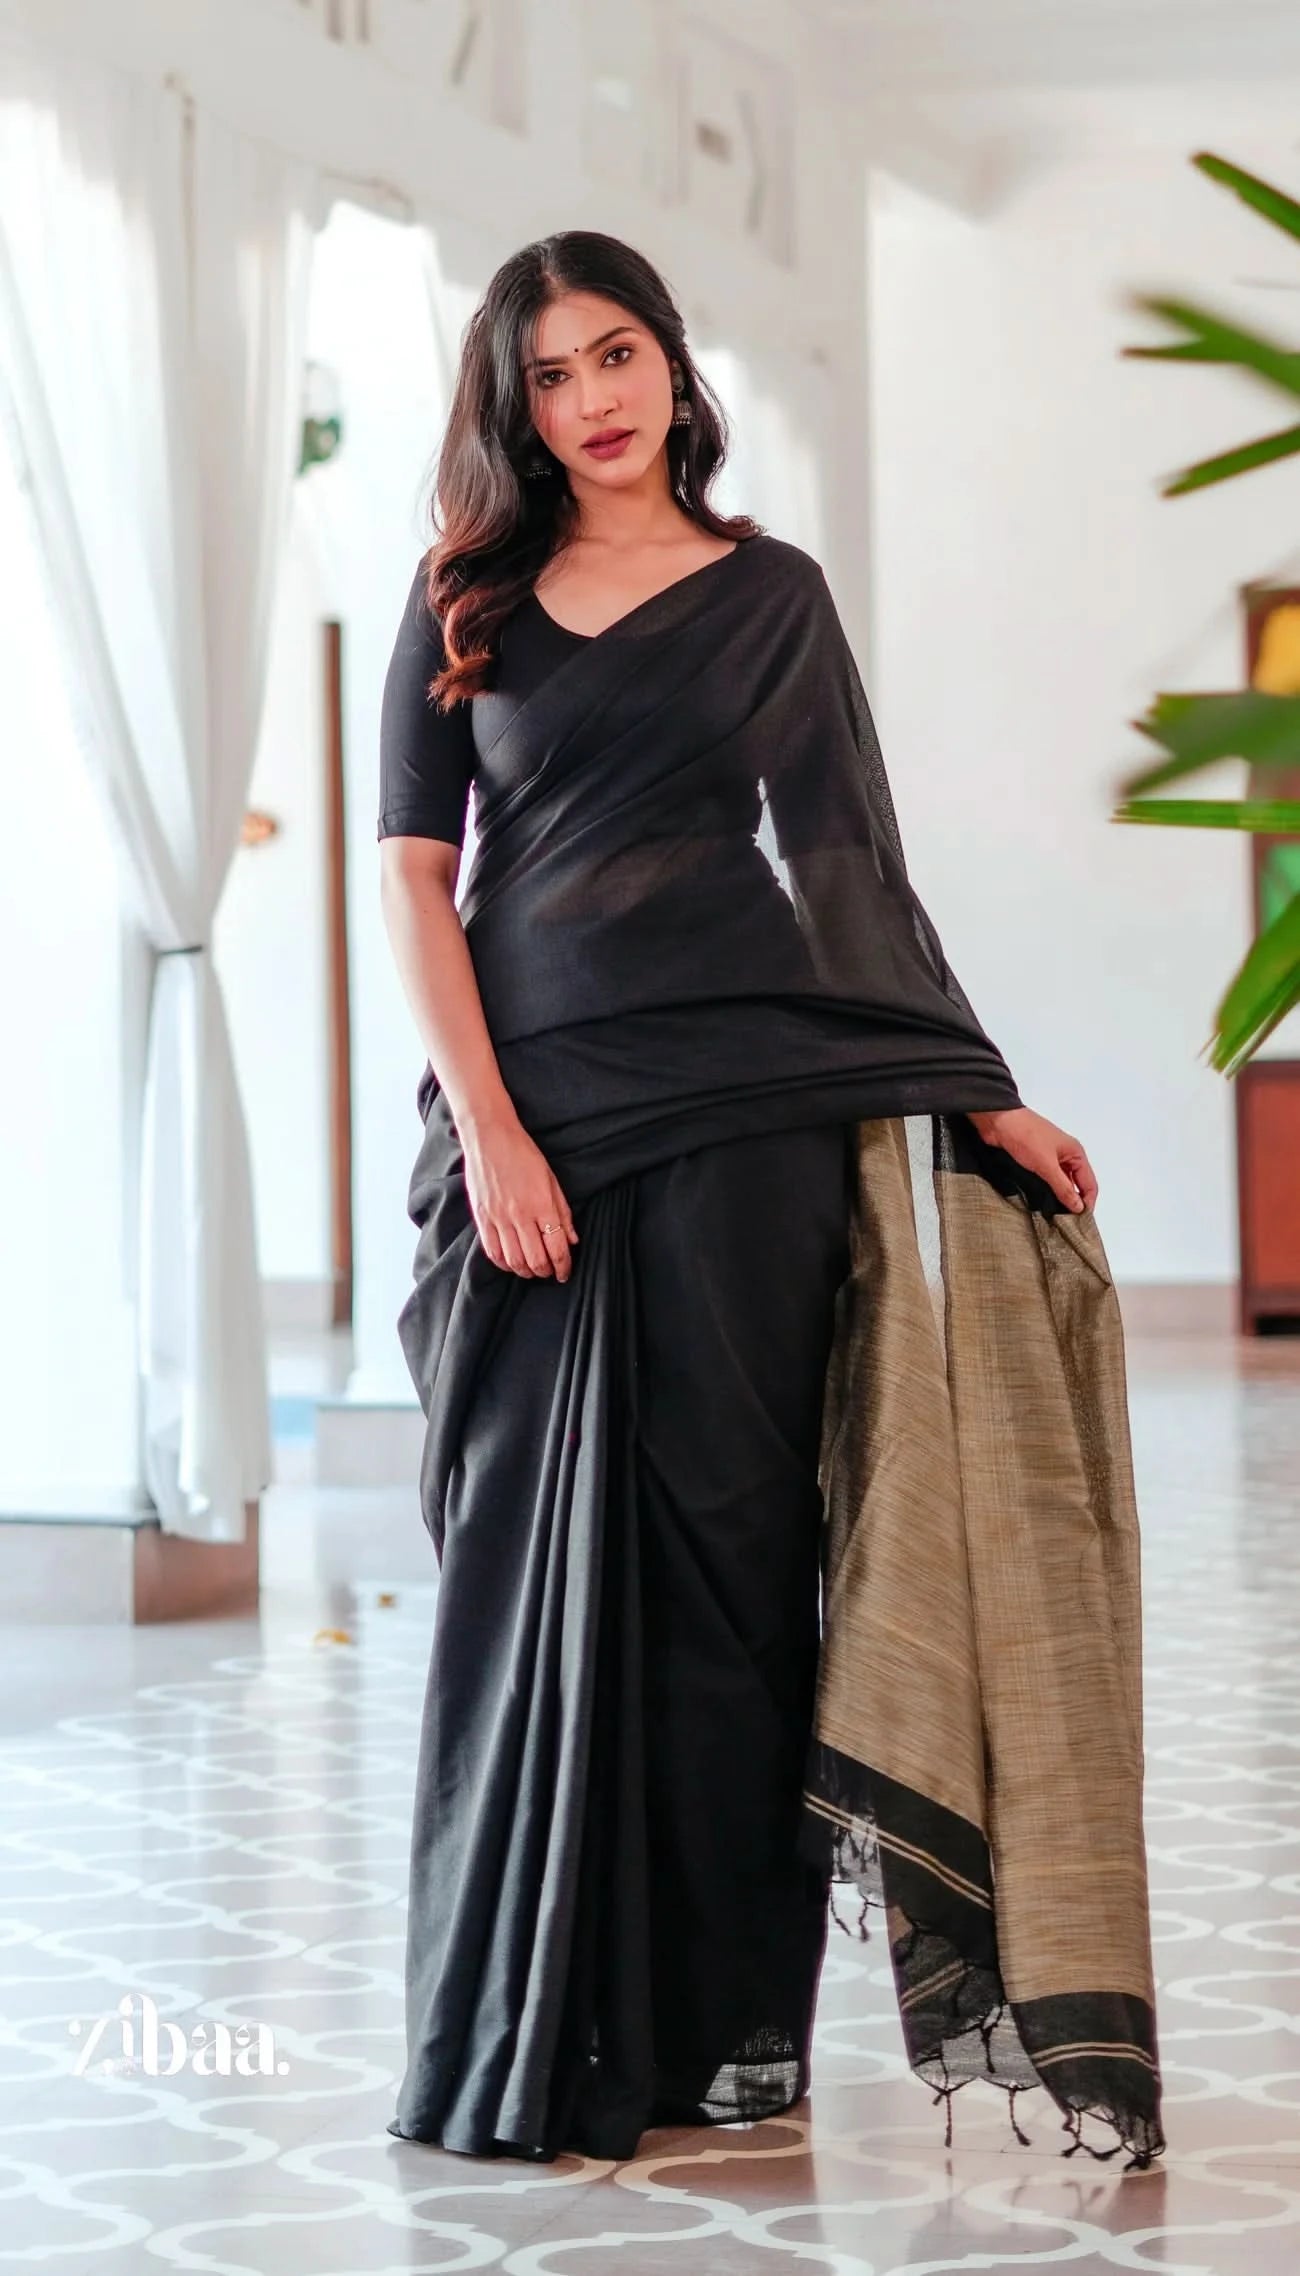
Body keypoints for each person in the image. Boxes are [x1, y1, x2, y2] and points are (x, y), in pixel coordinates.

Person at [377, 230, 1163, 2168]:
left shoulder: (771, 596)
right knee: (520, 1574)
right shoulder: (461, 599)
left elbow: (841, 861)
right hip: (541, 1122)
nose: (592, 398)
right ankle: (528, 2027)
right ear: (514, 404)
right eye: (550, 373)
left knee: (734, 1577)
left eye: (616, 352)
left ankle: (734, 2030)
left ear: (670, 363)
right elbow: (413, 874)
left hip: (747, 1122)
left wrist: (978, 1095)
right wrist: (490, 1131)